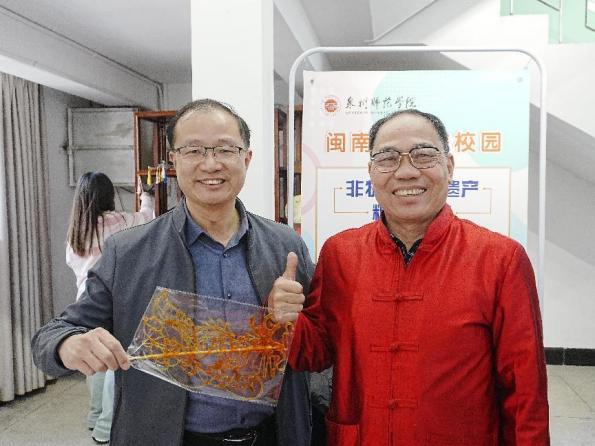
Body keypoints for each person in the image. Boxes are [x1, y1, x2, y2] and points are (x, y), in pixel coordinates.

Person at [32, 99, 317, 446]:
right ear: (173, 160)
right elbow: (52, 335)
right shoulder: (129, 252)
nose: (210, 163)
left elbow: (321, 342)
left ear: (247, 158)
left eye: (225, 149)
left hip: (273, 434)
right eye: (193, 150)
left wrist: (294, 322)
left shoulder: (285, 245)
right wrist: (68, 345)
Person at [269, 109, 550, 445]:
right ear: (371, 172)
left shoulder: (500, 259)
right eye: (387, 158)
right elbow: (316, 353)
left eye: (424, 155)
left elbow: (525, 390)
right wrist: (285, 321)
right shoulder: (341, 253)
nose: (406, 172)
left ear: (449, 166)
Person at [65, 171, 154, 444]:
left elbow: (73, 265)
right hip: (112, 302)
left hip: (85, 302)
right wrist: (147, 194)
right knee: (114, 364)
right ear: (108, 196)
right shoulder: (117, 222)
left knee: (94, 363)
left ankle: (94, 417)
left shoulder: (76, 231)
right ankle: (105, 429)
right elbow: (146, 218)